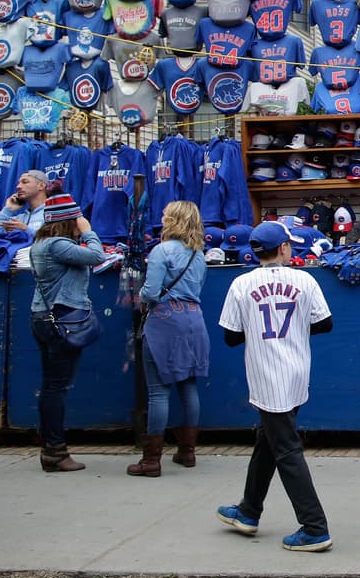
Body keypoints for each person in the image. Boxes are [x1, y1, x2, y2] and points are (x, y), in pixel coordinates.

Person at [216, 220, 336, 552]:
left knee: (285, 448)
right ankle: (248, 511)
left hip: (267, 375)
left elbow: (230, 337)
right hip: (296, 370)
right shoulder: (304, 278)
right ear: (283, 248)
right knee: (268, 440)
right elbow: (324, 324)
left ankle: (315, 527)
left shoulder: (241, 282)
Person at [128, 200, 208, 477]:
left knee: (158, 390)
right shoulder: (199, 255)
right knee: (188, 386)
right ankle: (188, 452)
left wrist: (143, 297)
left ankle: (151, 460)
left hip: (165, 320)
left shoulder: (161, 251)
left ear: (173, 220)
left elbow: (150, 293)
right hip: (194, 320)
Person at [28, 193, 105, 472]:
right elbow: (96, 255)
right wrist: (88, 231)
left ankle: (50, 446)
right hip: (62, 321)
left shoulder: (41, 243)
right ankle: (55, 451)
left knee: (51, 386)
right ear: (68, 220)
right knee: (57, 387)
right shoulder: (58, 245)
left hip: (43, 317)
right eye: (77, 219)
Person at [0, 169, 50, 235]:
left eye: (25, 182)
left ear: (41, 185)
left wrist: (26, 230)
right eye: (18, 183)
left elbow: (55, 241)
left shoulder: (53, 213)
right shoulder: (19, 218)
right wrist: (8, 210)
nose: (18, 187)